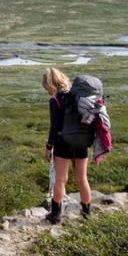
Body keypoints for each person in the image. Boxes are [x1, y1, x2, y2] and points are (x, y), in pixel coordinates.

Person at [41, 67, 92, 224]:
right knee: (82, 179)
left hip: (63, 143)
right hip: (81, 142)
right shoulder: (78, 96)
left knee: (61, 180)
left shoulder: (55, 99)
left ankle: (55, 215)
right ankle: (87, 214)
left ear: (49, 84)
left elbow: (55, 127)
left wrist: (49, 147)